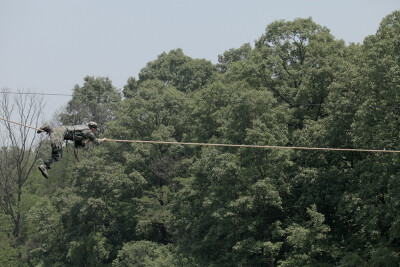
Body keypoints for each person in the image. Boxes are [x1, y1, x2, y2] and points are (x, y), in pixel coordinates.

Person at [37, 121, 107, 178]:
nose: (95, 132)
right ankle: (44, 166)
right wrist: (103, 140)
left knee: (56, 151)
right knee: (58, 155)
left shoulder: (83, 129)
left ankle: (48, 129)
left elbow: (77, 146)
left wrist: (87, 142)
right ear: (93, 128)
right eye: (95, 130)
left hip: (59, 131)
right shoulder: (88, 131)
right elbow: (97, 142)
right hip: (60, 134)